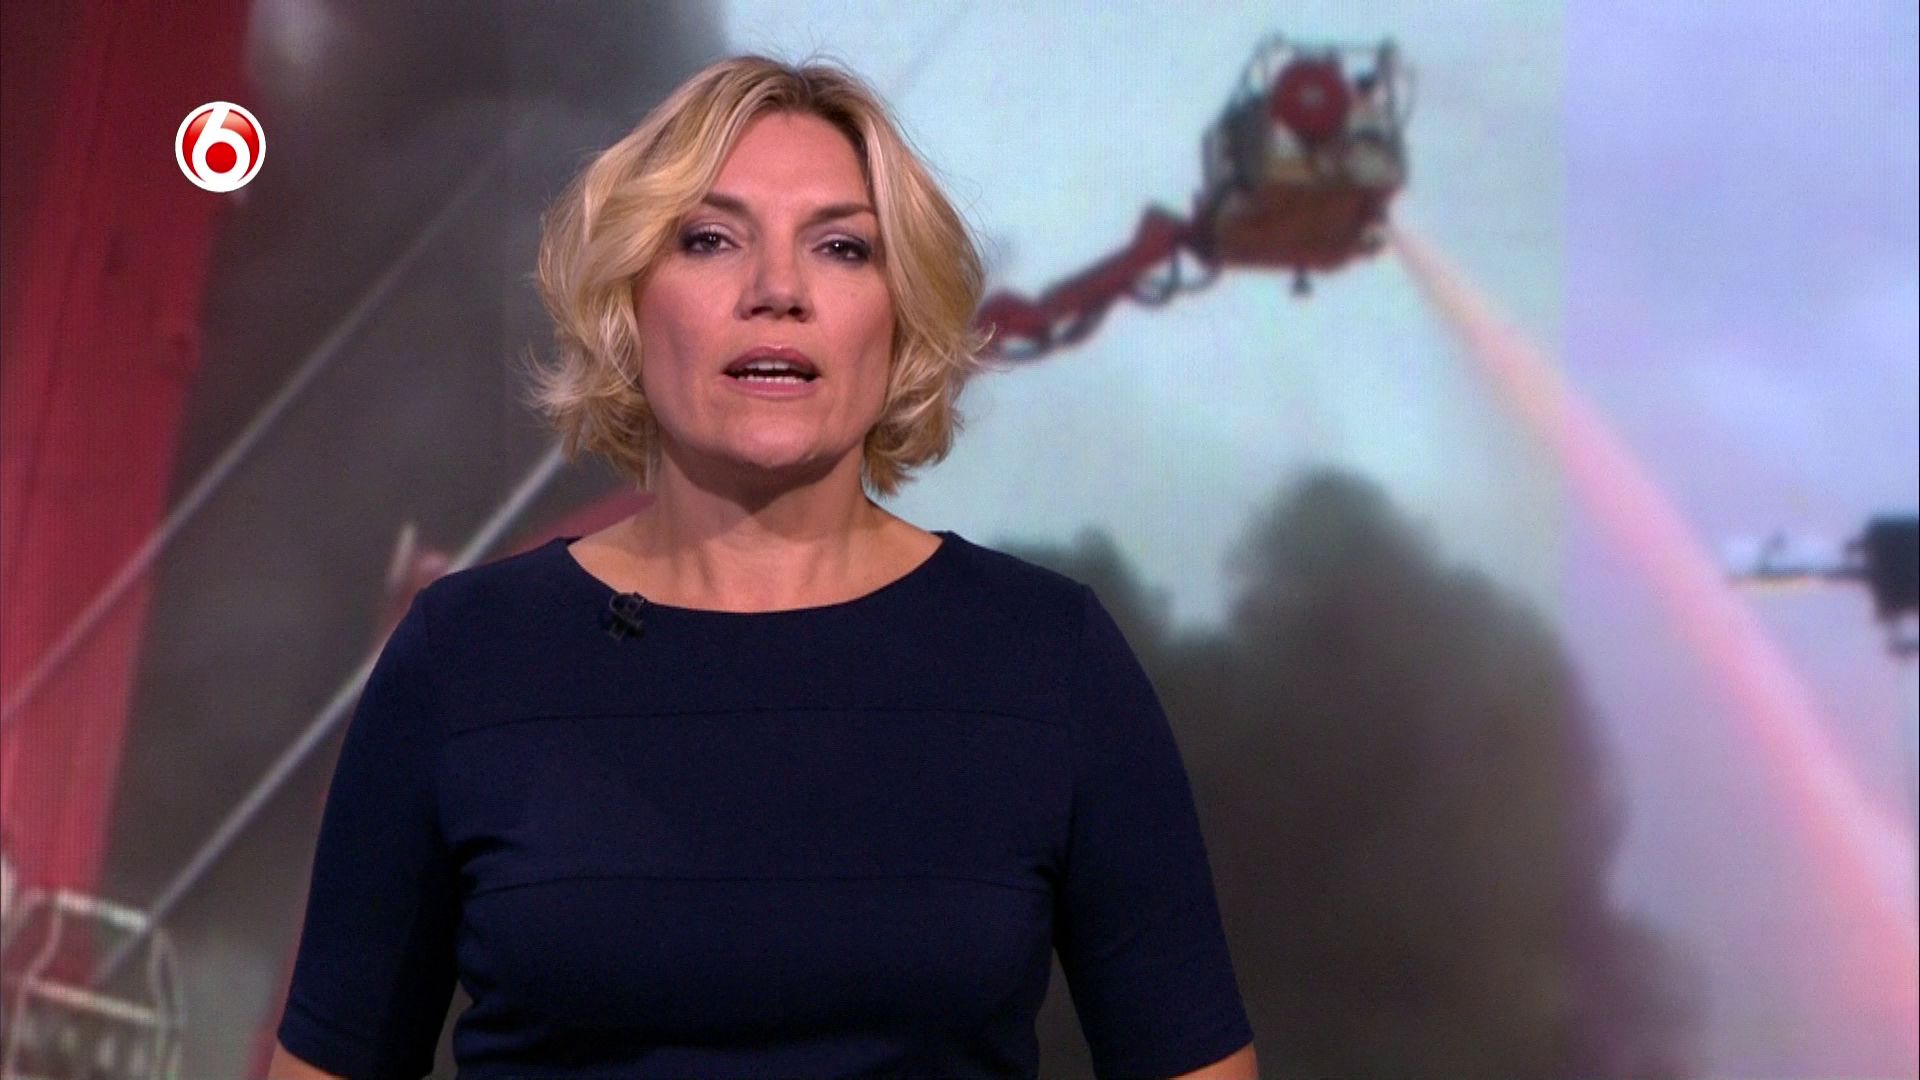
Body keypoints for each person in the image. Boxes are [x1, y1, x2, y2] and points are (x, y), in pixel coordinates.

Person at [268, 54, 1257, 1080]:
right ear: (627, 304)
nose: (777, 291)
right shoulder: (465, 654)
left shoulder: (1048, 658)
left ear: (902, 318)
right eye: (709, 239)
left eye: (840, 247)